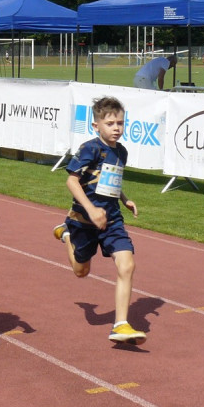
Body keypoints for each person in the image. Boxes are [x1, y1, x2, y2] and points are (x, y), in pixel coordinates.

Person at [52, 95, 145, 345]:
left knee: (127, 265)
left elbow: (111, 182)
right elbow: (71, 181)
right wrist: (91, 210)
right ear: (96, 126)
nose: (116, 128)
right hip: (84, 221)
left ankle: (121, 325)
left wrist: (125, 199)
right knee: (81, 271)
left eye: (121, 123)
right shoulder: (89, 149)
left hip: (112, 220)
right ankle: (68, 234)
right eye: (110, 123)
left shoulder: (122, 152)